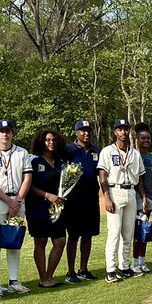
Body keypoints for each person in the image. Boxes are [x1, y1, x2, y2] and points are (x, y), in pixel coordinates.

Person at [0, 119, 33, 296]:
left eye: (8, 130)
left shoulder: (22, 152)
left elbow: (27, 179)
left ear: (12, 133)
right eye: (1, 131)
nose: (5, 134)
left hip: (18, 199)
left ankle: (13, 281)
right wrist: (9, 202)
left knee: (14, 242)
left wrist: (17, 200)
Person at [98, 119, 148, 281]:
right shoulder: (107, 151)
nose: (123, 132)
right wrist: (107, 197)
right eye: (120, 129)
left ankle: (124, 267)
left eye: (125, 129)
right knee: (114, 232)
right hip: (115, 190)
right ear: (115, 132)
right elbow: (102, 175)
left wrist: (144, 197)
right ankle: (110, 270)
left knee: (128, 233)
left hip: (131, 192)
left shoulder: (135, 153)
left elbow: (140, 178)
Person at [27, 129, 68, 288]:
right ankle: (43, 278)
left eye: (54, 140)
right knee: (41, 241)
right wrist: (47, 195)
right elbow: (29, 186)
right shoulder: (34, 162)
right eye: (48, 140)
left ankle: (49, 276)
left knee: (60, 241)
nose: (51, 143)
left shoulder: (61, 163)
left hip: (57, 208)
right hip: (38, 207)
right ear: (41, 142)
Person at [63, 120, 102, 283]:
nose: (86, 133)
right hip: (73, 200)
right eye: (82, 131)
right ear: (76, 133)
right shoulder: (68, 150)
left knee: (88, 235)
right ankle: (70, 271)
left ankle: (83, 269)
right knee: (73, 236)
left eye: (88, 130)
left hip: (91, 198)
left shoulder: (97, 150)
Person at [131, 123, 152, 275]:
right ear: (137, 139)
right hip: (137, 197)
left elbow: (150, 178)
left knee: (145, 230)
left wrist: (150, 197)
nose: (146, 140)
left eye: (148, 138)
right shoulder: (134, 155)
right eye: (143, 138)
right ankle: (134, 262)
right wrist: (142, 198)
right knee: (138, 231)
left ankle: (142, 260)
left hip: (149, 198)